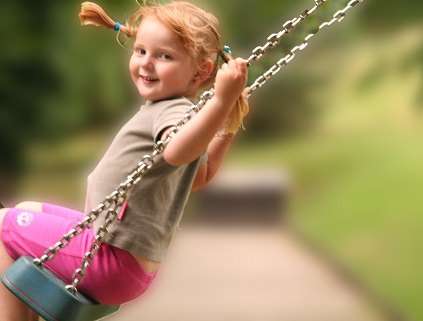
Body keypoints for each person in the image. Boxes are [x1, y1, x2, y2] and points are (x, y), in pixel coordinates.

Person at [0, 1, 249, 319]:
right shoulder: (181, 115)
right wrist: (225, 125)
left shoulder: (174, 112)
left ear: (200, 70)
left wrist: (222, 101)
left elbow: (177, 150)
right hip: (123, 261)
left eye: (164, 56)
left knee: (2, 226)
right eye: (141, 51)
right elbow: (201, 174)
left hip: (110, 259)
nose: (146, 64)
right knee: (26, 210)